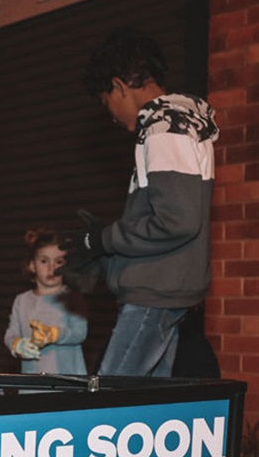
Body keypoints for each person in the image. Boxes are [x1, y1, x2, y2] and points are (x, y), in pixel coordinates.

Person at [60, 27, 218, 377]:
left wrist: (104, 240)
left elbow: (177, 220)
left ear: (119, 86)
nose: (113, 118)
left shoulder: (165, 130)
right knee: (147, 409)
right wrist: (107, 255)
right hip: (165, 292)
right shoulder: (178, 125)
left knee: (108, 405)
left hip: (152, 296)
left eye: (107, 104)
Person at [5, 229, 88, 376]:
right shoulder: (22, 300)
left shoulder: (71, 297)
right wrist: (17, 344)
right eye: (44, 261)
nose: (52, 268)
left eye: (59, 261)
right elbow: (11, 334)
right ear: (32, 265)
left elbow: (80, 332)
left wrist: (54, 334)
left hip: (67, 381)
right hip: (32, 382)